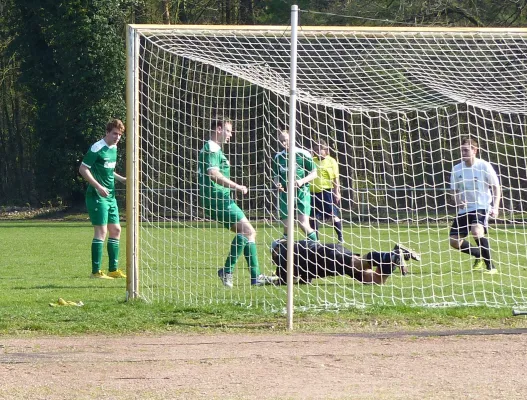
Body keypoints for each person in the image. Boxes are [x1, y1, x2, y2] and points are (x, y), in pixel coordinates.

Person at [197, 118, 276, 288]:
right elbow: (213, 174)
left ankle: (256, 277)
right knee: (248, 230)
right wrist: (237, 186)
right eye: (228, 131)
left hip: (221, 199)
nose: (230, 135)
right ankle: (227, 270)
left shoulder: (215, 149)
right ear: (218, 129)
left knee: (250, 233)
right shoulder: (211, 148)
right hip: (217, 199)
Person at [79, 119, 127, 279]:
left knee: (116, 230)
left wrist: (122, 179)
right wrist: (98, 187)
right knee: (101, 231)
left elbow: (108, 170)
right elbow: (83, 169)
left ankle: (113, 270)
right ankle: (96, 272)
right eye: (114, 133)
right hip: (97, 196)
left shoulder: (114, 148)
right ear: (107, 132)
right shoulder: (97, 148)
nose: (117, 137)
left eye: (120, 135)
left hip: (111, 196)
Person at [449, 137, 501, 275]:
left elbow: (496, 187)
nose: (463, 153)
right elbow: (453, 191)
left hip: (482, 206)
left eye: (466, 150)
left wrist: (495, 207)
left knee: (477, 231)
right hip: (464, 209)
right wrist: (458, 201)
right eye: (462, 150)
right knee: (454, 241)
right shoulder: (456, 169)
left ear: (474, 150)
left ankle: (491, 267)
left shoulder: (483, 166)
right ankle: (479, 254)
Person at [270, 239, 420, 285]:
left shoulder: (284, 252)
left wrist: (274, 281)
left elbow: (288, 279)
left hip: (326, 256)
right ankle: (393, 256)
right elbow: (304, 279)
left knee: (359, 263)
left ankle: (390, 255)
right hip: (329, 252)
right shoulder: (293, 248)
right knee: (375, 280)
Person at [273, 129, 318, 242]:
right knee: (287, 226)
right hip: (285, 193)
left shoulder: (303, 154)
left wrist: (301, 181)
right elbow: (276, 176)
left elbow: (314, 173)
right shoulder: (278, 157)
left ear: (292, 139)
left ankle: (317, 246)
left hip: (302, 192)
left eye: (286, 140)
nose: (284, 143)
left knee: (303, 224)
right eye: (282, 141)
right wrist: (277, 184)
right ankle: (286, 250)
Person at [310, 139, 344, 243]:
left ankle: (340, 237)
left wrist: (337, 192)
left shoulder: (331, 161)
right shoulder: (312, 160)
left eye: (320, 149)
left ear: (326, 150)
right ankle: (315, 240)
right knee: (312, 217)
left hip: (326, 192)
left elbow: (335, 178)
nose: (317, 151)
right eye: (315, 149)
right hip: (312, 193)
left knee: (333, 216)